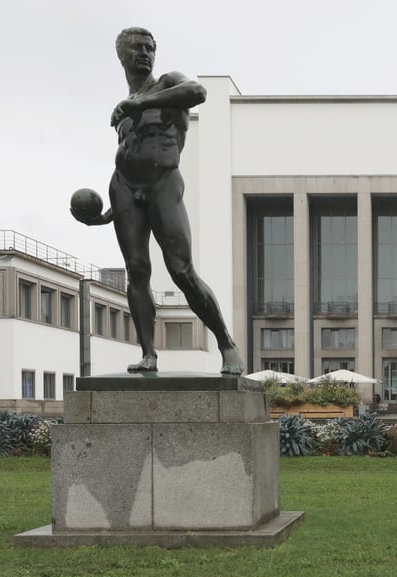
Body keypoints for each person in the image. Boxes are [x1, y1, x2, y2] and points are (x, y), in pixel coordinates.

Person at [83, 27, 243, 374]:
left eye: (149, 48)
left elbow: (197, 92)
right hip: (124, 188)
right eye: (137, 48)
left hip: (164, 185)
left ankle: (226, 344)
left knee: (182, 272)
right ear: (121, 56)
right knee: (137, 272)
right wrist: (107, 213)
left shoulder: (168, 85)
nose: (144, 53)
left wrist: (140, 102)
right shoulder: (123, 113)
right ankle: (148, 354)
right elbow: (129, 154)